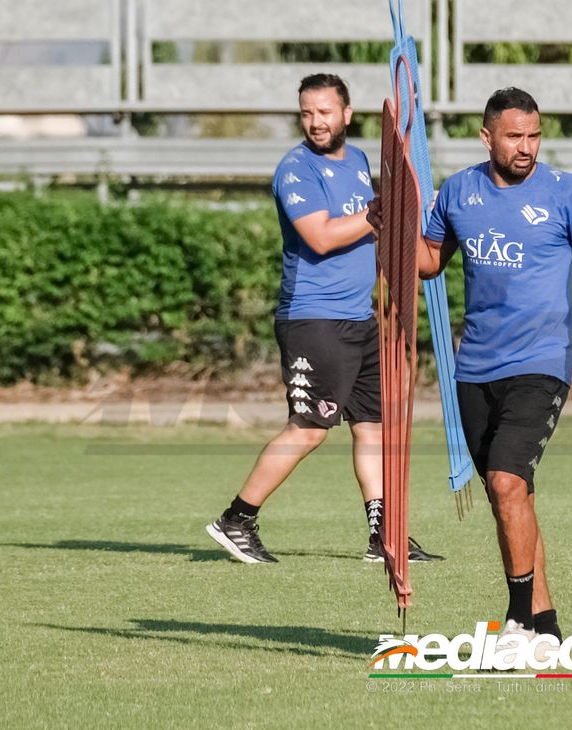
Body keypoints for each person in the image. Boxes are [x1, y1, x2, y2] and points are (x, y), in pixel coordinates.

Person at [369, 87, 572, 642]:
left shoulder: (568, 193)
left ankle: (517, 620)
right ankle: (546, 625)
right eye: (515, 136)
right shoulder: (460, 192)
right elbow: (426, 264)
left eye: (535, 135)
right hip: (474, 369)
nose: (527, 147)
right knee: (514, 496)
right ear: (487, 136)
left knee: (503, 482)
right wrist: (390, 228)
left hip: (541, 363)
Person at [206, 73, 443, 565]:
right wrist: (383, 209)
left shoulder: (358, 161)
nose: (316, 122)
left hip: (360, 318)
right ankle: (237, 519)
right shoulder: (295, 170)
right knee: (311, 427)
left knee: (373, 427)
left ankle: (384, 536)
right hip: (314, 319)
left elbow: (376, 231)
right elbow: (322, 237)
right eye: (307, 113)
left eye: (325, 112)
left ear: (347, 114)